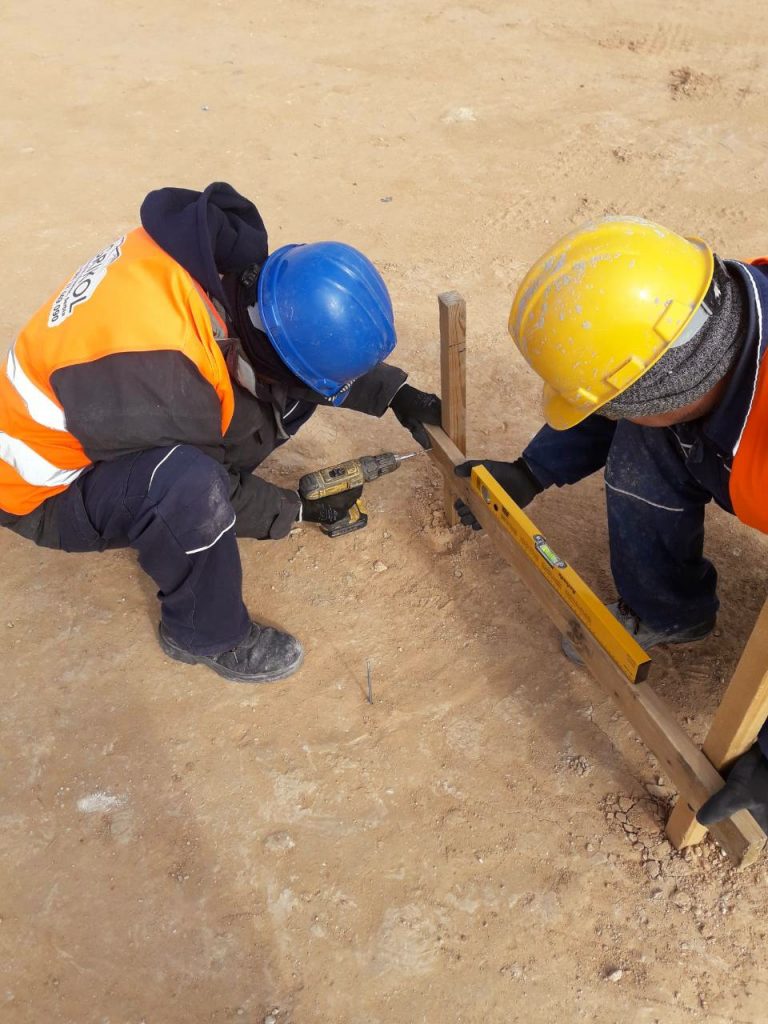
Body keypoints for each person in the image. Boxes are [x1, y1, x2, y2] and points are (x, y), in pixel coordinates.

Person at [0, 183, 441, 684]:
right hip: (43, 493)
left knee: (277, 387)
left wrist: (397, 394)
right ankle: (203, 634)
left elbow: (299, 333)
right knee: (187, 486)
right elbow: (217, 489)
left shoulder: (218, 260)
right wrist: (297, 510)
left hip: (103, 405)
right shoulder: (164, 379)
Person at [453, 216, 768, 832]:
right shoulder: (711, 310)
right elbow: (633, 389)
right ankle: (670, 611)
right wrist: (531, 471)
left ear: (669, 393)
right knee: (645, 444)